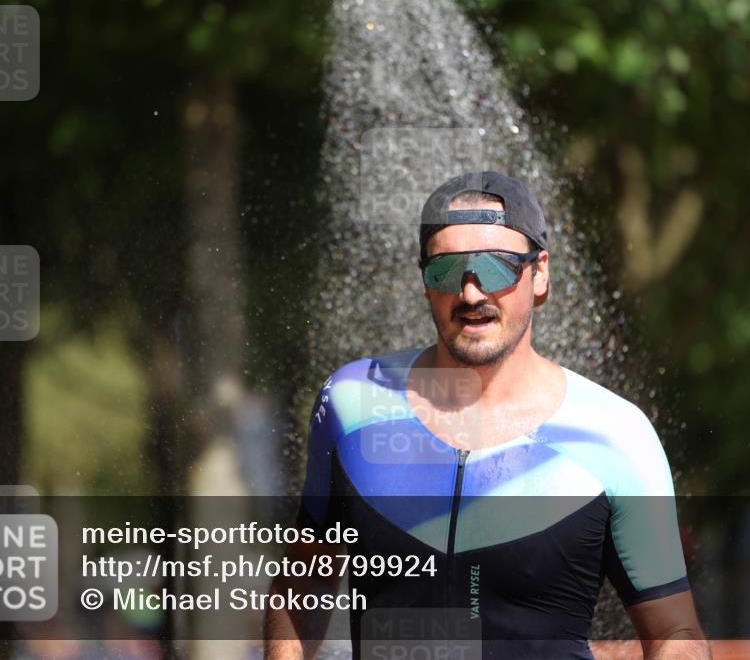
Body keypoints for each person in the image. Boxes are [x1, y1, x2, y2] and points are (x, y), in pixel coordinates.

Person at [263, 171, 710, 659]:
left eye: (496, 268)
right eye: (446, 271)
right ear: (425, 282)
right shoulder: (351, 402)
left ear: (539, 274)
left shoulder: (616, 434)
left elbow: (674, 635)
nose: (471, 293)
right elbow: (302, 585)